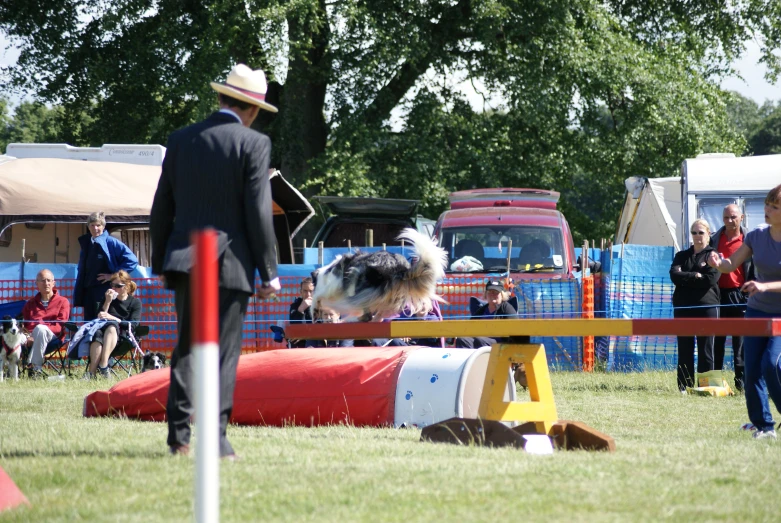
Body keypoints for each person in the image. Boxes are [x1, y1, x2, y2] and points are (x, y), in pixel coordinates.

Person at [150, 63, 280, 459]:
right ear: (253, 110)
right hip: (230, 264)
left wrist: (161, 261)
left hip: (185, 261)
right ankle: (216, 439)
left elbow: (161, 208)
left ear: (221, 97)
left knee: (187, 347)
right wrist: (269, 272)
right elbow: (258, 212)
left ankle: (179, 438)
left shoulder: (181, 139)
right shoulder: (253, 144)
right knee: (223, 353)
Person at [708, 184, 781, 440]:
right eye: (767, 204)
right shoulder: (757, 236)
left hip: (780, 318)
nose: (767, 209)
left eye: (774, 206)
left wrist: (763, 285)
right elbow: (731, 264)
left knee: (771, 364)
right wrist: (719, 263)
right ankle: (764, 426)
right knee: (752, 370)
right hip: (756, 312)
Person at [669, 218, 720, 392]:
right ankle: (684, 386)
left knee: (706, 349)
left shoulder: (714, 256)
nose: (697, 236)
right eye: (694, 232)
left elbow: (711, 279)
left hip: (707, 307)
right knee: (685, 348)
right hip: (683, 307)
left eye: (701, 232)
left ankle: (706, 387)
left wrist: (686, 276)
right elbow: (674, 276)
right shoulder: (681, 255)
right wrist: (695, 276)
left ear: (708, 234)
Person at [710, 204, 753, 391]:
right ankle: (716, 382)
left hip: (740, 294)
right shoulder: (714, 239)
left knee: (740, 342)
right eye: (726, 217)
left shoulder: (749, 240)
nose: (729, 221)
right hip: (718, 295)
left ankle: (741, 384)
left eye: (733, 217)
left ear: (741, 217)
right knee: (717, 339)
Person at [74, 211, 138, 321]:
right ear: (88, 226)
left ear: (103, 226)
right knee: (89, 324)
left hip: (105, 291)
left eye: (98, 225)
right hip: (88, 291)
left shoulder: (111, 242)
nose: (95, 228)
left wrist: (112, 276)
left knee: (102, 322)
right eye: (92, 225)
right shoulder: (86, 243)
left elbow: (132, 260)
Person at [84, 270, 142, 379]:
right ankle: (91, 373)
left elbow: (133, 324)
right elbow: (100, 316)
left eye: (118, 286)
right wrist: (108, 302)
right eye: (112, 285)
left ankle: (103, 364)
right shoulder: (108, 299)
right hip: (103, 333)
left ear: (127, 286)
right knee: (96, 335)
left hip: (123, 336)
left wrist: (114, 318)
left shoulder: (135, 302)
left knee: (112, 326)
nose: (114, 288)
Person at [22, 269, 70, 376]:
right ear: (37, 284)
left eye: (49, 280)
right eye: (43, 281)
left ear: (54, 283)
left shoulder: (63, 301)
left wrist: (39, 329)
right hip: (31, 336)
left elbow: (60, 325)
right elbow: (25, 324)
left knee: (40, 329)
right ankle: (28, 371)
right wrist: (29, 335)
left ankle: (34, 367)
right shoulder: (30, 303)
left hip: (55, 337)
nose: (46, 283)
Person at [456, 279, 517, 348]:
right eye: (490, 292)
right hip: (481, 339)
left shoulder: (507, 308)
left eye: (496, 292)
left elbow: (515, 329)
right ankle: (469, 358)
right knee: (462, 339)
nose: (492, 294)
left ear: (502, 295)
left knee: (480, 339)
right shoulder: (481, 310)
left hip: (500, 342)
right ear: (485, 294)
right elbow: (469, 327)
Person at [289, 277, 315, 348]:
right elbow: (294, 327)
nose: (308, 294)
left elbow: (322, 328)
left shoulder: (320, 306)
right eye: (305, 291)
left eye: (311, 291)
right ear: (301, 292)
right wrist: (301, 309)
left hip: (315, 345)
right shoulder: (295, 306)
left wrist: (304, 335)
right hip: (299, 346)